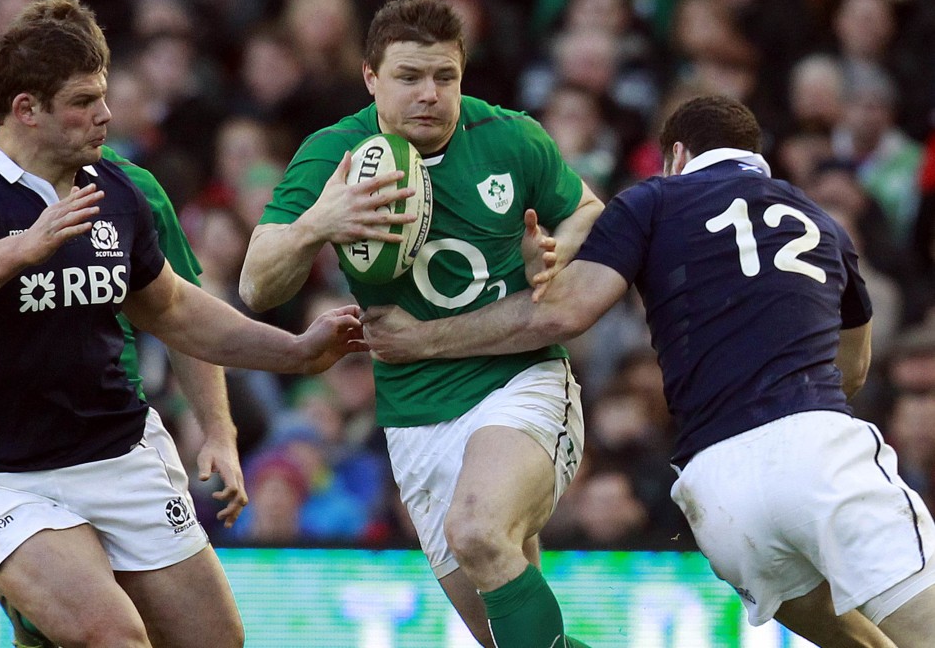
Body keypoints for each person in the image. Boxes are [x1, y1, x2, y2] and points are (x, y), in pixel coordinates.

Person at [362, 95, 935, 647]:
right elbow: (852, 368)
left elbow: (565, 313)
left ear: (676, 155)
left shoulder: (652, 201)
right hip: (817, 445)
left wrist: (424, 336)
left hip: (716, 488)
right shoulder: (822, 222)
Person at [0, 0, 365, 648]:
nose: (105, 114)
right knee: (113, 635)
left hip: (118, 453)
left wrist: (295, 351)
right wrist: (22, 247)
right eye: (83, 101)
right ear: (26, 111)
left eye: (103, 95)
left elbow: (175, 309)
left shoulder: (118, 189)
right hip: (3, 473)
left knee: (217, 640)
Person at [239, 0, 602, 648]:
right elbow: (257, 282)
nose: (430, 93)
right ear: (372, 78)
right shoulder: (336, 154)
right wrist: (320, 223)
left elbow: (588, 210)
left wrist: (557, 250)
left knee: (478, 532)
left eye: (445, 76)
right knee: (505, 638)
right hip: (414, 419)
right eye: (409, 77)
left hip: (518, 386)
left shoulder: (510, 137)